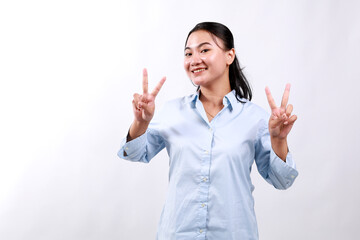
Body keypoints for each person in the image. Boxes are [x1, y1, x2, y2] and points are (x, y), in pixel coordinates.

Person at [118, 22, 298, 240]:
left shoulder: (257, 118)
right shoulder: (172, 111)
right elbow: (134, 153)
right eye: (188, 53)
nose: (194, 60)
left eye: (204, 50)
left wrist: (279, 139)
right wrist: (141, 122)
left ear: (229, 55)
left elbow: (282, 180)